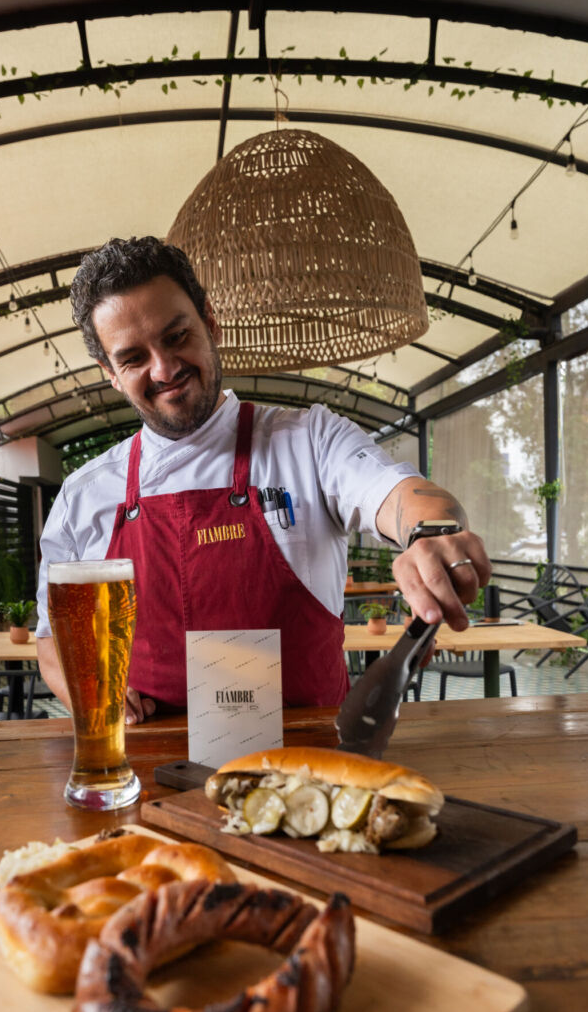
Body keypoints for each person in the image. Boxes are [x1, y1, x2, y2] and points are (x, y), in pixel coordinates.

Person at [35, 236, 490, 723]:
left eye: (176, 337)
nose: (164, 369)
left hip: (309, 773)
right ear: (109, 372)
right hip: (147, 772)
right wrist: (90, 691)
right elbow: (51, 642)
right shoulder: (84, 496)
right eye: (133, 358)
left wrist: (432, 535)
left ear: (210, 323)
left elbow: (397, 492)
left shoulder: (309, 441)